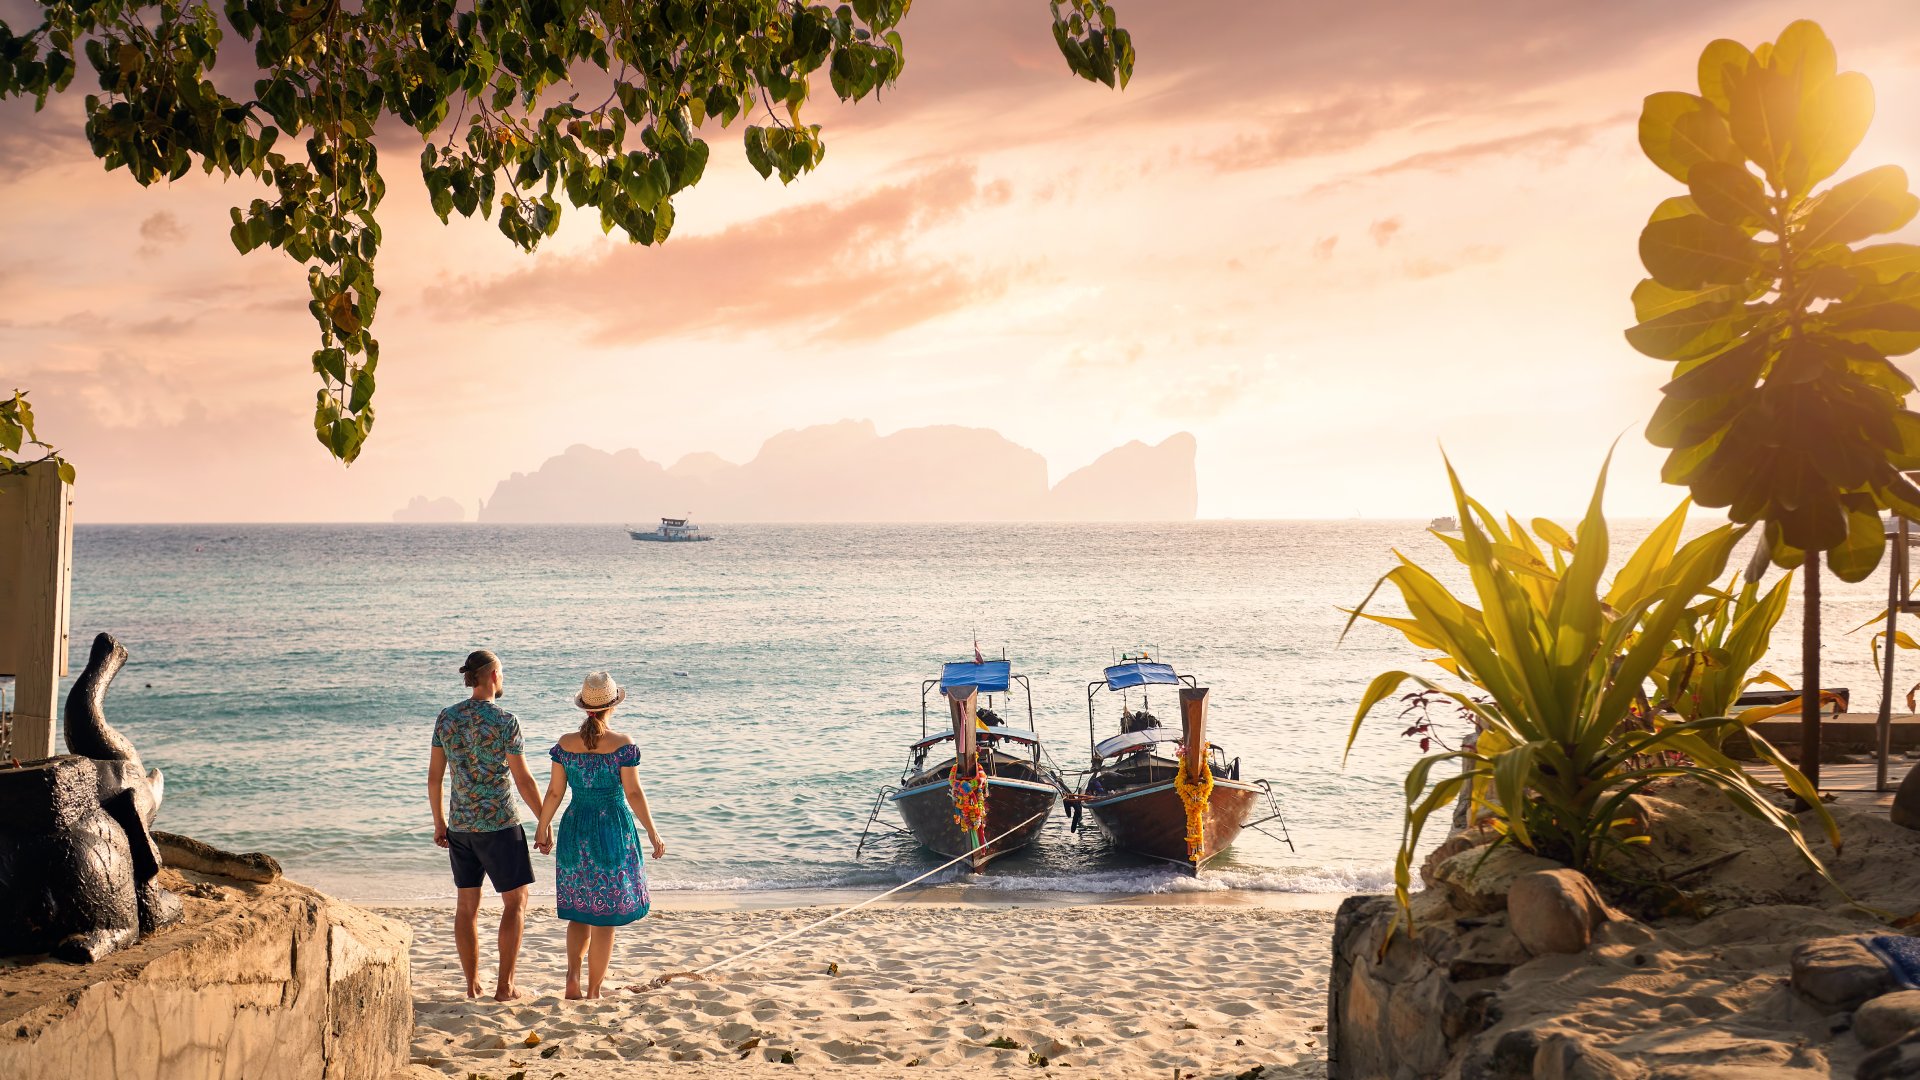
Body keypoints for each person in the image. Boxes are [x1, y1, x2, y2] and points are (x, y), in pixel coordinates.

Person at [533, 671, 668, 1000]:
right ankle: (594, 991)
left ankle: (572, 978)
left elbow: (553, 793)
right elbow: (633, 793)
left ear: (584, 707)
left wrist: (541, 828)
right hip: (610, 827)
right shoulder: (623, 744)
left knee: (580, 909)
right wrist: (652, 831)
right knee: (605, 917)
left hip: (575, 825)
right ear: (613, 706)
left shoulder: (565, 744)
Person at [427, 649, 544, 1001]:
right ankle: (505, 987)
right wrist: (545, 820)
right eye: (502, 673)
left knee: (466, 907)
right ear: (493, 675)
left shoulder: (446, 718)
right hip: (499, 824)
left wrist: (439, 822)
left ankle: (471, 985)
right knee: (515, 902)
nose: (503, 678)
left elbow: (435, 778)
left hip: (460, 826)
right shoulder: (506, 721)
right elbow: (523, 780)